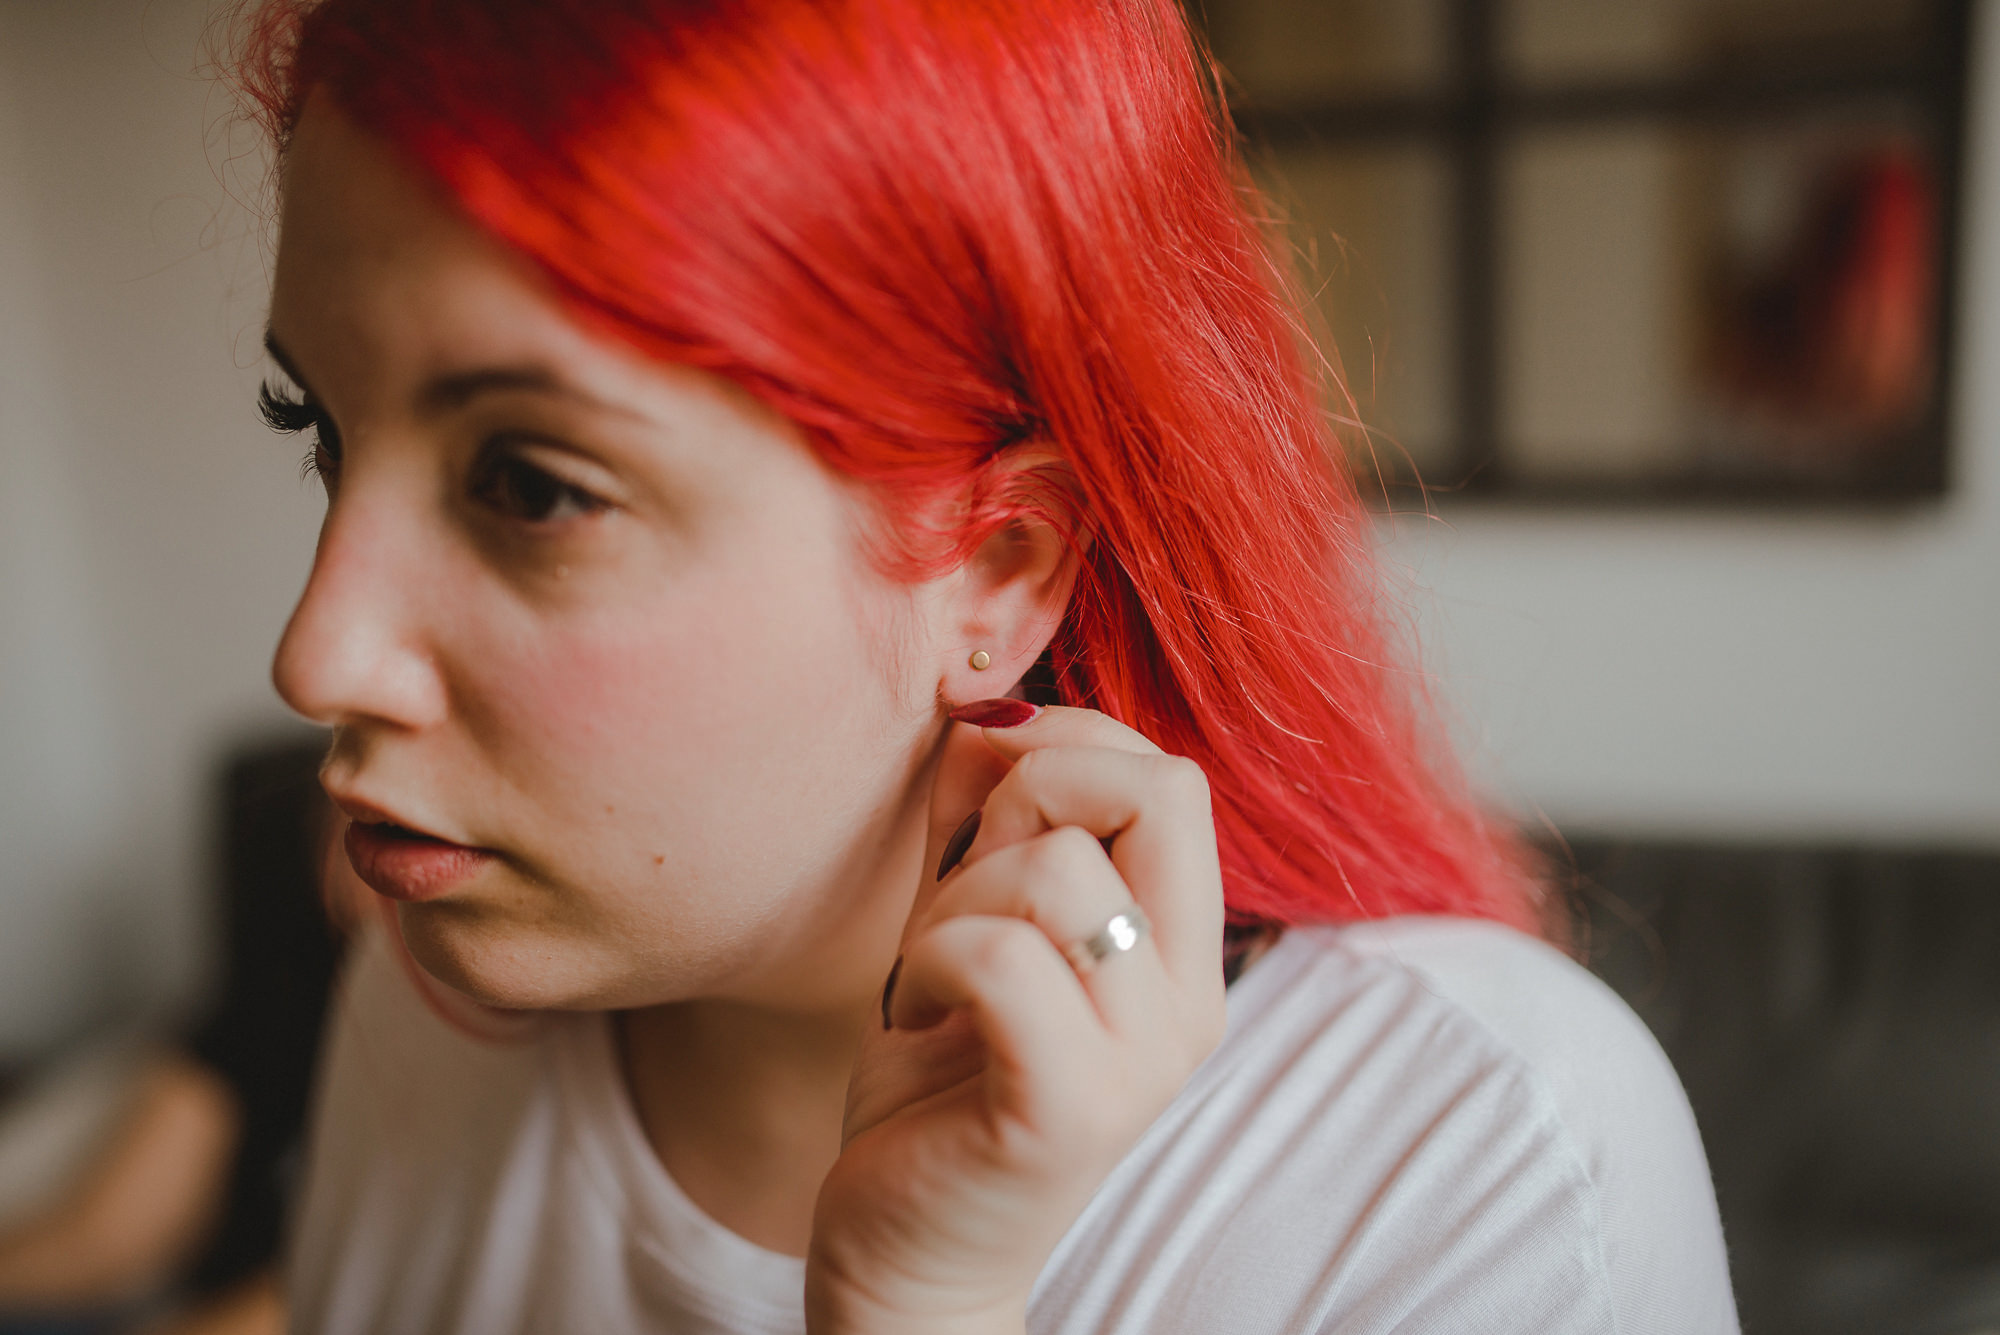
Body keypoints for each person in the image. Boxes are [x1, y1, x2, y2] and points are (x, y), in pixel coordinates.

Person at [229, 0, 1740, 1330]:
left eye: (534, 485)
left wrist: (921, 1309)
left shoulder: (1460, 1165)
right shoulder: (426, 1004)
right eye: (323, 437)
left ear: (1002, 566)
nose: (317, 653)